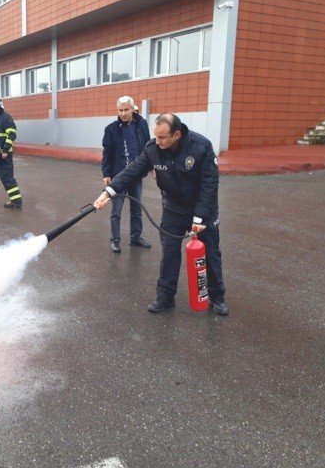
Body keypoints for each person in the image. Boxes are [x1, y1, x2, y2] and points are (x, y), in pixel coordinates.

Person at [93, 113, 229, 316]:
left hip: (202, 209)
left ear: (177, 134)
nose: (158, 141)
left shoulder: (201, 146)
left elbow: (209, 185)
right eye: (156, 137)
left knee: (210, 253)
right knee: (169, 253)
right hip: (173, 208)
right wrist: (108, 192)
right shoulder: (152, 149)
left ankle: (217, 297)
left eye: (163, 138)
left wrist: (199, 218)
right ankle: (165, 297)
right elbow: (132, 171)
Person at [101, 96, 151, 252]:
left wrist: (153, 166)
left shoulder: (142, 124)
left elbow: (149, 147)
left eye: (126, 109)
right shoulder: (111, 129)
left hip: (136, 175)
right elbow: (107, 153)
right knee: (116, 210)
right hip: (118, 177)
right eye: (120, 110)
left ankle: (135, 238)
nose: (123, 113)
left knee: (136, 208)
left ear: (133, 109)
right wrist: (106, 173)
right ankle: (115, 240)